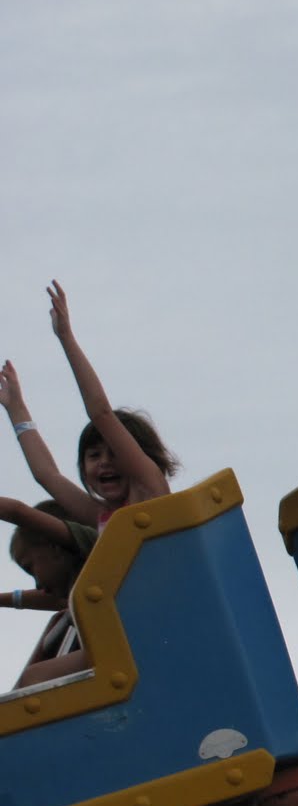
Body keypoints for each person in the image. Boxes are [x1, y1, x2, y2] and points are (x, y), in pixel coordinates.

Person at [0, 283, 177, 529]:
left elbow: (100, 413)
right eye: (94, 455)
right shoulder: (100, 516)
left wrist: (66, 338)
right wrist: (16, 408)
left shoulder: (150, 490)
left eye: (114, 452)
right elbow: (47, 475)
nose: (104, 462)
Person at [4, 499, 92, 687]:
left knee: (34, 678)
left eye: (30, 568)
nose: (37, 585)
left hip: (129, 647)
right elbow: (53, 599)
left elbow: (17, 512)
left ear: (54, 546)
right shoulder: (82, 593)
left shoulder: (97, 555)